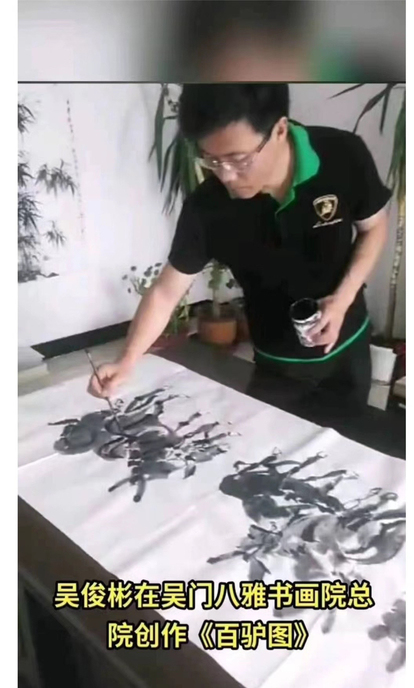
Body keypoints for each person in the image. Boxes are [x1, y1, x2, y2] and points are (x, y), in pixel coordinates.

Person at [88, 84, 390, 419]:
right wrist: (127, 360)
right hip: (276, 362)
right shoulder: (207, 207)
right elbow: (166, 292)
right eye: (212, 160)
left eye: (239, 160)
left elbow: (373, 228)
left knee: (353, 435)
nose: (226, 175)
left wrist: (343, 299)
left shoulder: (342, 154)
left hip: (350, 346)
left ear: (279, 129)